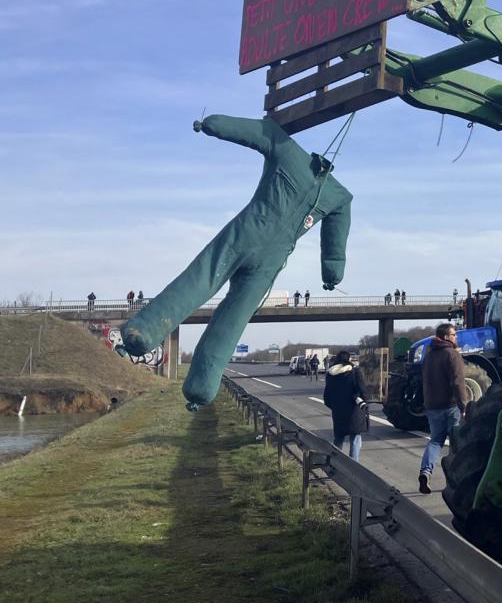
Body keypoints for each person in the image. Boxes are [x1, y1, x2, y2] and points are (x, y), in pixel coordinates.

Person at [121, 114, 353, 412]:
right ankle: (201, 386)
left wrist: (210, 125)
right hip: (270, 264)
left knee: (199, 280)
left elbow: (259, 132)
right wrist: (332, 273)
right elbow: (335, 241)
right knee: (231, 321)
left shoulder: (287, 151)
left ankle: (144, 331)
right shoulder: (339, 197)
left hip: (242, 235)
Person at [419, 323, 469, 494]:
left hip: (432, 406)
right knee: (456, 444)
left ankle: (426, 471)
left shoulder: (429, 355)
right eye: (454, 334)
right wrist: (463, 406)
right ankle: (455, 481)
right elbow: (458, 382)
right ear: (447, 337)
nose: (456, 337)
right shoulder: (452, 354)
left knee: (435, 441)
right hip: (451, 405)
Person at [323, 351, 367, 460]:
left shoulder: (330, 374)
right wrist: (362, 401)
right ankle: (353, 464)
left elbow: (327, 397)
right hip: (354, 411)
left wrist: (336, 406)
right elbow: (363, 390)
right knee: (355, 438)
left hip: (338, 412)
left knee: (338, 438)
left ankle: (335, 462)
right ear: (348, 359)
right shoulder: (354, 372)